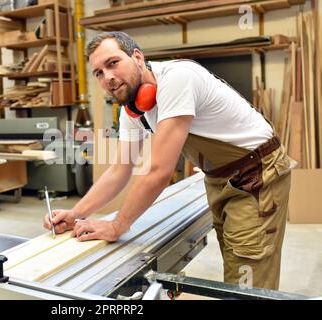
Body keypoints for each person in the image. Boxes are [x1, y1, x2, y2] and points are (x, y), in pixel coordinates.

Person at [43, 31, 295, 290]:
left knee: (247, 276)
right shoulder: (133, 109)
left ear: (137, 57)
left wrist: (118, 225)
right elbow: (119, 170)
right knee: (235, 263)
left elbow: (159, 172)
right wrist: (77, 213)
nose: (107, 77)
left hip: (257, 174)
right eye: (98, 72)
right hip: (220, 179)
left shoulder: (177, 78)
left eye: (113, 63)